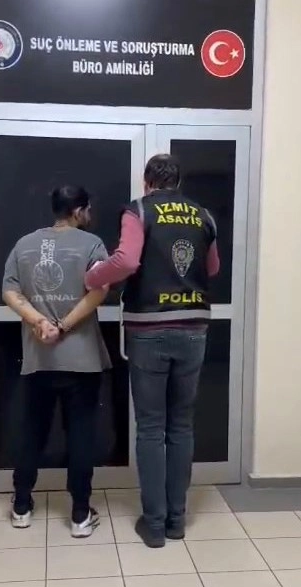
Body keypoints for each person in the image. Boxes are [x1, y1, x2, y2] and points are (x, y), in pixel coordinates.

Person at [85, 154, 220, 548]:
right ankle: (177, 520)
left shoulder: (139, 210)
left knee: (150, 427)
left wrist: (93, 276)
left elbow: (126, 260)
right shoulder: (204, 216)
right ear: (177, 182)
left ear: (147, 182)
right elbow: (211, 268)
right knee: (181, 425)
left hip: (150, 329)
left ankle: (155, 524)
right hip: (194, 328)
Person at [3, 185, 111, 537]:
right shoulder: (92, 244)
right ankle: (79, 515)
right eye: (87, 209)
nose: (89, 215)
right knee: (80, 435)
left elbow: (9, 290)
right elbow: (99, 290)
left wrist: (39, 322)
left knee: (32, 431)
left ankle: (21, 506)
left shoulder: (24, 245)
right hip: (82, 361)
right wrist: (62, 326)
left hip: (39, 358)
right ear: (78, 211)